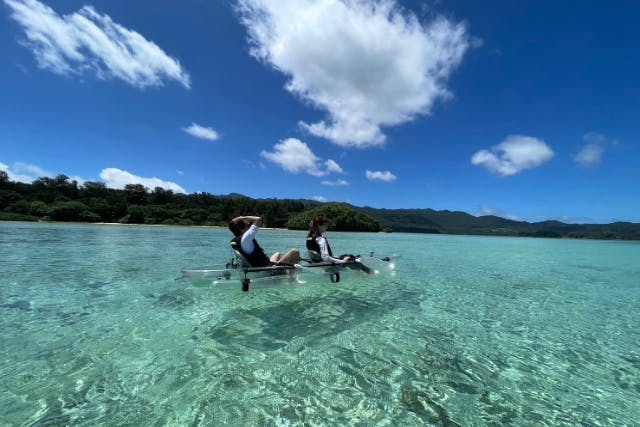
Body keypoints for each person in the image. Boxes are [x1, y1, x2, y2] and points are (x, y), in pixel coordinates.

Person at [306, 215, 373, 274]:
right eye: (325, 225)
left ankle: (358, 270)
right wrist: (342, 261)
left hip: (317, 263)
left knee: (347, 256)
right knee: (352, 261)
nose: (327, 227)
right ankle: (371, 272)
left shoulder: (309, 238)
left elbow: (317, 254)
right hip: (328, 266)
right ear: (318, 226)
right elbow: (326, 258)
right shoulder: (321, 239)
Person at [229, 216, 300, 267]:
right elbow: (258, 219)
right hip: (267, 269)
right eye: (248, 225)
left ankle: (284, 267)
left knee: (277, 254)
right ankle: (292, 279)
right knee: (295, 251)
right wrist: (241, 218)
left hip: (263, 264)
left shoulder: (236, 240)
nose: (250, 226)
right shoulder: (245, 238)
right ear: (241, 229)